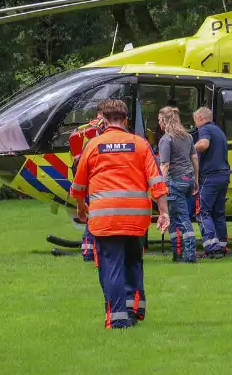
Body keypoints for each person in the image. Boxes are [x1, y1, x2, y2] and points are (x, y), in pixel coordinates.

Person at [70, 99, 169, 329]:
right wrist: (163, 212)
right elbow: (156, 182)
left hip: (105, 218)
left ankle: (118, 318)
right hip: (136, 219)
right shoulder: (140, 144)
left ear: (103, 120)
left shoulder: (93, 146)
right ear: (126, 120)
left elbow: (79, 186)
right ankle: (134, 309)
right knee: (133, 262)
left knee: (111, 265)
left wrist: (81, 208)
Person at [156, 107, 199, 263]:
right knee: (174, 216)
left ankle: (189, 254)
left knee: (181, 218)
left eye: (160, 120)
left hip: (175, 182)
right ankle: (176, 253)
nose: (159, 123)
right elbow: (194, 158)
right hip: (188, 179)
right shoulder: (187, 137)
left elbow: (165, 165)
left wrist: (160, 185)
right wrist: (196, 180)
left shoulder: (166, 139)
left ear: (165, 121)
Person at [192, 106, 230, 257]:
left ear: (201, 118)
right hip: (223, 176)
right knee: (218, 213)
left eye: (195, 121)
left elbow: (203, 144)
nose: (195, 125)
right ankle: (222, 245)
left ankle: (212, 247)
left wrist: (189, 149)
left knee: (202, 212)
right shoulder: (219, 131)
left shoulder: (205, 129)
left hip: (210, 177)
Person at [68, 113, 106, 262]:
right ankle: (90, 250)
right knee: (94, 221)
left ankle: (88, 250)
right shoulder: (96, 145)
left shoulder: (89, 145)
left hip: (92, 187)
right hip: (96, 187)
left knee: (93, 220)